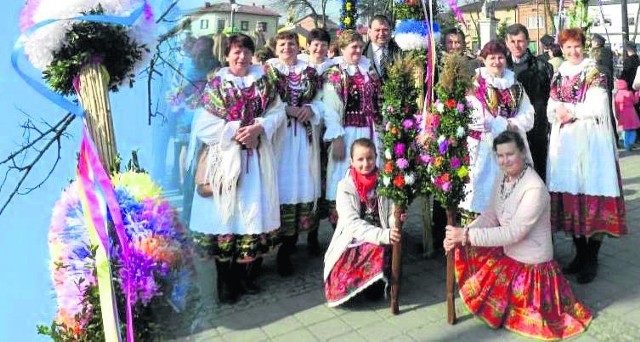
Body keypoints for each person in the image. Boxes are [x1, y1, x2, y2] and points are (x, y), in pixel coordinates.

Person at [444, 130, 592, 340]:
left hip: (533, 266)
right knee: (467, 250)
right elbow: (490, 216)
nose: (505, 161)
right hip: (510, 255)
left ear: (522, 153)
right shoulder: (502, 177)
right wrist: (460, 235)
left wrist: (466, 236)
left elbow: (514, 233)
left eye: (510, 154)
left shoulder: (535, 188)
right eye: (500, 155)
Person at [189, 34, 285, 303]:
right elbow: (202, 125)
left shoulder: (264, 83)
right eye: (235, 52)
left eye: (245, 52)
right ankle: (224, 279)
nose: (241, 57)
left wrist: (259, 127)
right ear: (227, 55)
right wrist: (235, 130)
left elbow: (278, 112)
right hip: (226, 160)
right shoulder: (216, 85)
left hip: (255, 160)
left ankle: (245, 275)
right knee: (225, 217)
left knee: (250, 216)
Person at [547, 28, 627, 284]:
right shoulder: (559, 74)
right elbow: (550, 107)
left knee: (592, 197)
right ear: (562, 48)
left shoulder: (594, 72)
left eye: (577, 46)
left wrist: (568, 110)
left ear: (583, 46)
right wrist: (558, 111)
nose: (573, 51)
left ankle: (591, 258)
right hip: (566, 144)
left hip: (592, 143)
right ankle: (579, 255)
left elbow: (598, 105)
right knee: (572, 200)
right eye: (568, 47)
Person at [266, 31, 324, 275]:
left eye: (291, 43)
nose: (287, 47)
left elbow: (323, 100)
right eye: (282, 44)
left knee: (301, 184)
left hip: (303, 138)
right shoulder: (267, 70)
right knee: (278, 186)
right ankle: (272, 245)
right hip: (278, 138)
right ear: (275, 47)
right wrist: (285, 109)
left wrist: (310, 109)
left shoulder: (309, 70)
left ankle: (288, 250)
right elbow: (263, 102)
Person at [460, 40, 534, 215]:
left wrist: (509, 124)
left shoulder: (515, 86)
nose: (496, 62)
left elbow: (529, 115)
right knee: (479, 191)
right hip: (482, 149)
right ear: (484, 60)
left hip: (511, 147)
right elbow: (469, 112)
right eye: (491, 58)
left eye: (500, 57)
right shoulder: (474, 84)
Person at [323, 138, 401, 307]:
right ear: (351, 161)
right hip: (354, 240)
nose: (366, 164)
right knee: (341, 281)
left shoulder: (385, 182)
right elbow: (352, 224)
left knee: (380, 250)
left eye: (370, 158)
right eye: (360, 159)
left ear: (376, 157)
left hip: (382, 238)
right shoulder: (344, 187)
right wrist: (383, 235)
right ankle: (365, 281)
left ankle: (378, 279)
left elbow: (390, 213)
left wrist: (396, 222)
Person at [322, 30, 382, 229]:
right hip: (347, 132)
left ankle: (369, 223)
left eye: (359, 46)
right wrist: (337, 137)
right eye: (352, 47)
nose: (357, 50)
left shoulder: (369, 70)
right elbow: (330, 108)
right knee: (343, 175)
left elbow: (378, 100)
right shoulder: (336, 73)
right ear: (342, 49)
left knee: (370, 172)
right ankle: (343, 226)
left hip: (370, 131)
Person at [505, 24, 553, 183]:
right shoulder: (501, 66)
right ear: (506, 42)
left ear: (527, 42)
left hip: (536, 129)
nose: (516, 45)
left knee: (538, 173)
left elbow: (548, 98)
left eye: (520, 41)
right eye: (512, 41)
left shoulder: (543, 67)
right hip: (509, 129)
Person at [363, 15, 401, 81]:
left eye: (385, 29)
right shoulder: (362, 53)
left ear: (390, 31)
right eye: (377, 30)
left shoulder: (400, 51)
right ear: (369, 32)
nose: (381, 34)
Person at [614, 77, 640, 151]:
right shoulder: (629, 93)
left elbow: (616, 107)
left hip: (622, 114)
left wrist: (617, 115)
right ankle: (631, 141)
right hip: (631, 113)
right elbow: (635, 101)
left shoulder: (616, 95)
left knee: (625, 130)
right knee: (633, 129)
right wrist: (637, 93)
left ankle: (626, 144)